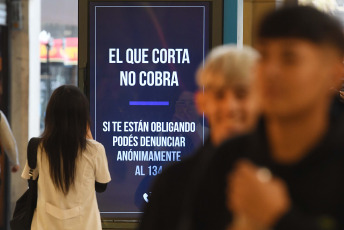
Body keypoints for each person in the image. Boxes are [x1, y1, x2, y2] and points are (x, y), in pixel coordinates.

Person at [192, 6, 344, 230]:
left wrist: (279, 218)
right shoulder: (230, 158)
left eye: (289, 58)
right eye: (264, 56)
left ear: (334, 72)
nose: (271, 70)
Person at [138, 45, 260, 230]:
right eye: (219, 95)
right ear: (202, 102)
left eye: (241, 94)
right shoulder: (172, 182)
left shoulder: (284, 174)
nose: (230, 107)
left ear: (262, 100)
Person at [21, 85, 111, 230]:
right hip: (85, 225)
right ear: (83, 117)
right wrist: (89, 136)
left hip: (44, 225)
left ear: (50, 115)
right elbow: (101, 186)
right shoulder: (95, 150)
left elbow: (30, 181)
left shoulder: (38, 147)